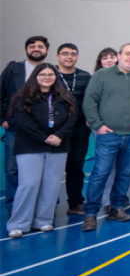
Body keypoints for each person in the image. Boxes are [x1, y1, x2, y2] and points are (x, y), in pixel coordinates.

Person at [81, 43, 130, 231]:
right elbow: (89, 101)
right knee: (100, 174)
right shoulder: (101, 76)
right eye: (128, 54)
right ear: (119, 56)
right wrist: (99, 126)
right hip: (108, 136)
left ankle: (117, 208)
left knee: (124, 174)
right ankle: (90, 214)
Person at [5, 64, 78, 237]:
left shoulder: (65, 97)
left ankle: (43, 221)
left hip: (58, 145)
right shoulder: (22, 97)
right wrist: (44, 137)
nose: (47, 77)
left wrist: (59, 135)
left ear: (56, 77)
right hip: (29, 145)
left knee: (51, 185)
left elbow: (72, 117)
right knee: (29, 184)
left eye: (50, 74)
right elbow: (23, 122)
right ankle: (18, 223)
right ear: (35, 77)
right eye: (42, 74)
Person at [1, 35, 51, 215]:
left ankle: (42, 208)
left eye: (40, 46)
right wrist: (3, 120)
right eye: (32, 46)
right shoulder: (13, 69)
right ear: (26, 49)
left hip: (43, 130)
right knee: (12, 169)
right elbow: (1, 94)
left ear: (47, 50)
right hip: (15, 129)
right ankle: (14, 207)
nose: (36, 49)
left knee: (44, 171)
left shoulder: (50, 71)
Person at [53, 43, 92, 216]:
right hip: (55, 130)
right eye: (65, 53)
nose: (69, 56)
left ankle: (75, 203)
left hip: (79, 129)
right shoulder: (49, 74)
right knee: (52, 169)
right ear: (57, 56)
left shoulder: (85, 76)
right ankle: (50, 204)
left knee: (76, 167)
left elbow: (90, 101)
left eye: (73, 54)